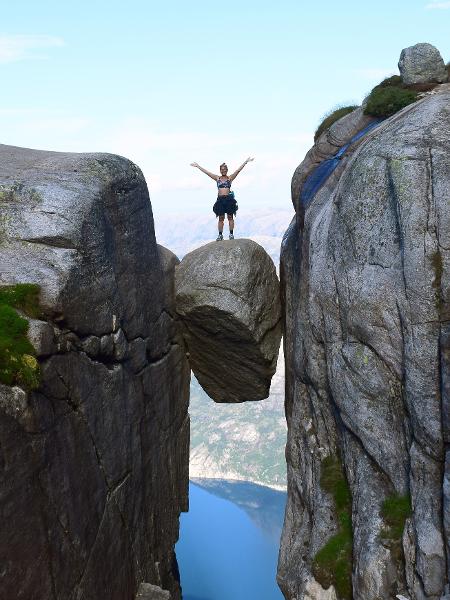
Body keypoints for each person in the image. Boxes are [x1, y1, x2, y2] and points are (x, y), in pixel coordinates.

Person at [190, 158, 254, 240]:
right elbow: (207, 173)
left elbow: (238, 171)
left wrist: (245, 162)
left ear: (227, 170)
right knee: (221, 218)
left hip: (229, 200)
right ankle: (220, 235)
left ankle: (231, 234)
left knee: (230, 217)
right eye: (222, 169)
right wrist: (198, 166)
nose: (223, 170)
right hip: (220, 200)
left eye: (224, 169)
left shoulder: (230, 178)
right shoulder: (217, 178)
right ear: (220, 170)